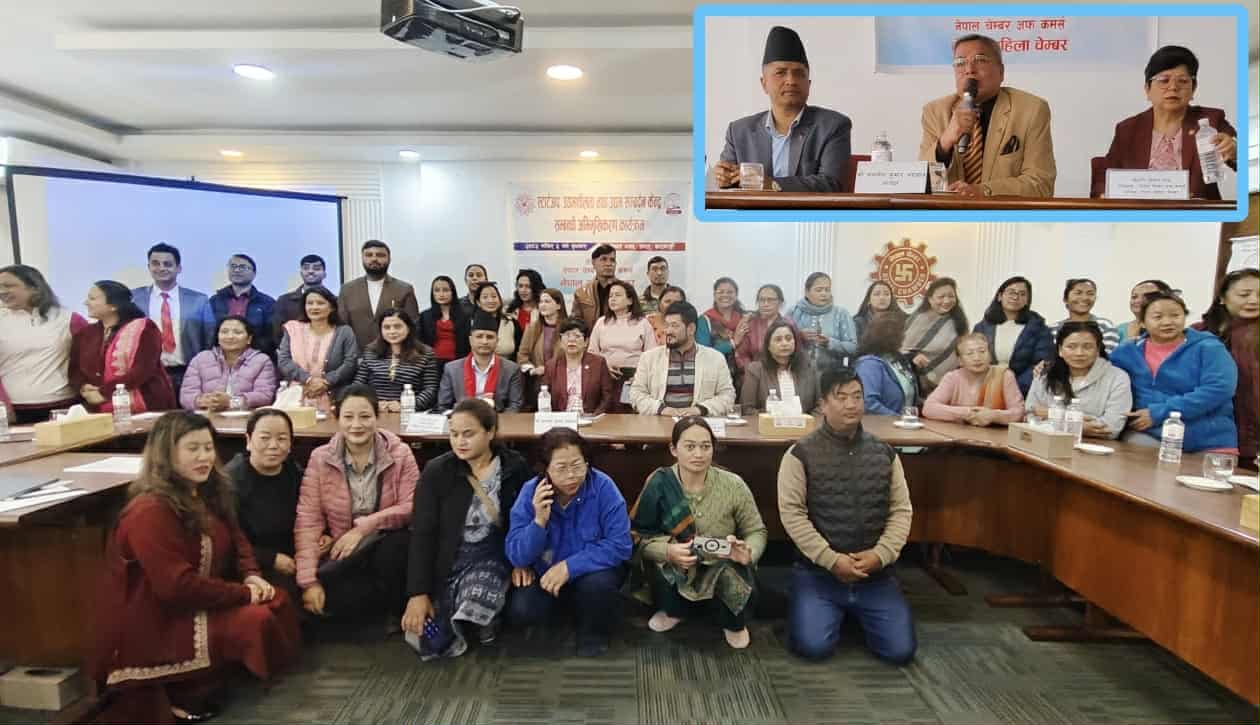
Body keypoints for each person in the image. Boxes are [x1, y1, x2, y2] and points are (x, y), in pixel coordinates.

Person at [91, 411, 299, 723]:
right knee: (255, 617)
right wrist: (243, 594)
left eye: (208, 447)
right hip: (158, 615)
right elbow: (176, 587)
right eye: (193, 449)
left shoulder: (208, 489)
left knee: (277, 599)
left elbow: (237, 537)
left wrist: (251, 575)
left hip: (200, 596)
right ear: (166, 453)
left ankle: (214, 679)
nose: (204, 457)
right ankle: (181, 687)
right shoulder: (148, 510)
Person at [777, 366, 916, 664]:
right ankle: (824, 609)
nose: (851, 404)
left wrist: (881, 554)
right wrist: (831, 559)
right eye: (841, 398)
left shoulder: (885, 453)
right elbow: (792, 515)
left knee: (900, 652)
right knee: (813, 648)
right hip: (819, 574)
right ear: (823, 405)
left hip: (875, 574)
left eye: (857, 396)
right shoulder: (800, 454)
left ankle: (851, 613)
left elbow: (901, 510)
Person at [402, 399, 534, 659]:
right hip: (450, 558)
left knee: (477, 594)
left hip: (495, 555)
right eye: (454, 434)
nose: (460, 442)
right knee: (428, 637)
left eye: (468, 434)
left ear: (490, 432)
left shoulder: (514, 467)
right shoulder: (437, 471)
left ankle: (484, 620)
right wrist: (418, 593)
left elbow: (527, 520)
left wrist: (523, 559)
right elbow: (423, 533)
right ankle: (473, 620)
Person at [629, 417, 767, 649]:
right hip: (678, 564)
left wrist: (749, 552)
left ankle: (733, 623)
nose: (699, 454)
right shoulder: (660, 482)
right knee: (663, 568)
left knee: (733, 574)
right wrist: (667, 551)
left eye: (705, 446)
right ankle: (674, 611)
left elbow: (756, 530)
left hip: (722, 562)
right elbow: (637, 535)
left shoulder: (733, 484)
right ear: (674, 449)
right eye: (690, 446)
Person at [295, 384, 418, 622]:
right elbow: (308, 521)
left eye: (365, 416)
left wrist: (363, 528)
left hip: (386, 544)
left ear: (377, 417)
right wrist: (308, 582)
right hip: (344, 552)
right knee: (325, 603)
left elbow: (411, 506)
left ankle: (395, 611)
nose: (356, 425)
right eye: (348, 417)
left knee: (395, 551)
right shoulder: (320, 458)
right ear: (337, 418)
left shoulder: (400, 453)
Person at [507, 427, 632, 657]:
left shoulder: (603, 487)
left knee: (598, 587)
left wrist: (569, 567)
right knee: (522, 609)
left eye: (577, 465)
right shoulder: (531, 492)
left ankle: (593, 634)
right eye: (561, 468)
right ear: (545, 469)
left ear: (587, 463)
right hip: (545, 573)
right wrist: (538, 521)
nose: (571, 475)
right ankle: (562, 617)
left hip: (591, 573)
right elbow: (517, 555)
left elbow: (620, 545)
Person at [715, 25, 851, 192]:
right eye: (780, 72)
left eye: (799, 73)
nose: (791, 81)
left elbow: (831, 184)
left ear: (808, 84)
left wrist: (772, 184)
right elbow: (728, 186)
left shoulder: (833, 126)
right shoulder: (738, 132)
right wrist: (723, 178)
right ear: (764, 83)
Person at [918, 33, 1056, 198]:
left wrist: (982, 191)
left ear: (1001, 71)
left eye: (980, 60)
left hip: (1002, 212)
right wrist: (944, 143)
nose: (969, 70)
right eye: (960, 63)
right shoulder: (935, 112)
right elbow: (921, 184)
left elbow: (1041, 185)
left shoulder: (1031, 109)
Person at [1092, 46, 1238, 200]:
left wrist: (1234, 150)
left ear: (1193, 88)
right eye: (1164, 80)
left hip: (1197, 211)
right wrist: (1104, 195)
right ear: (1147, 89)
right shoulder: (1128, 129)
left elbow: (1241, 154)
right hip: (1142, 211)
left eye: (1182, 81)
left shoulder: (1211, 119)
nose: (1173, 87)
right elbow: (1105, 177)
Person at [1111, 291, 1238, 453]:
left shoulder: (1209, 347)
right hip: (1152, 437)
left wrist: (1160, 412)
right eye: (1157, 317)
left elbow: (1220, 389)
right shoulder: (1126, 352)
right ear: (1142, 322)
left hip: (1210, 441)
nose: (1167, 322)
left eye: (1175, 315)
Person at [226, 408, 306, 603]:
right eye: (264, 438)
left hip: (298, 556)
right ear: (248, 440)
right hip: (252, 565)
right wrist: (271, 558)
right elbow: (228, 542)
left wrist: (323, 536)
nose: (273, 445)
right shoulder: (231, 482)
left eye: (282, 438)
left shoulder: (294, 472)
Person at [71, 280, 176, 414]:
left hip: (146, 406)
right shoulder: (85, 334)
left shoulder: (144, 328)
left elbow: (142, 370)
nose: (86, 302)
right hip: (97, 410)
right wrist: (84, 387)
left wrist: (104, 393)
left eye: (92, 298)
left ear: (113, 306)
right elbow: (74, 370)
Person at [0, 264, 88, 423]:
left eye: (8, 286)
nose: (2, 291)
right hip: (14, 411)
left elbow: (89, 361)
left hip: (64, 407)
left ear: (34, 288)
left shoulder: (68, 318)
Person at [131, 242, 216, 392]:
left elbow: (209, 338)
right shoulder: (135, 299)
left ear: (178, 268)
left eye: (168, 264)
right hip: (148, 375)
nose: (161, 268)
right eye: (155, 264)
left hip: (189, 374)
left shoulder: (198, 300)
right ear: (149, 267)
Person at [1025, 322, 1132, 439]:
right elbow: (1030, 417)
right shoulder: (1045, 374)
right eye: (1071, 346)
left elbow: (1111, 428)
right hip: (1045, 441)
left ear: (1098, 350)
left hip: (1096, 445)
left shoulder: (1118, 378)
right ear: (1060, 350)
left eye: (1087, 347)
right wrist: (1081, 424)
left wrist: (1050, 414)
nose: (1079, 353)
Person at [1194, 269, 1258, 465]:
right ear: (1222, 297)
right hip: (1208, 431)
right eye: (1244, 294)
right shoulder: (1198, 333)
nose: (1254, 300)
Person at [630, 301, 736, 416]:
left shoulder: (715, 358)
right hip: (660, 419)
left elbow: (727, 395)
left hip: (699, 421)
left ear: (691, 329)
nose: (668, 331)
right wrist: (661, 409)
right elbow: (636, 394)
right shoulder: (649, 358)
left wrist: (700, 409)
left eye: (674, 326)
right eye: (666, 325)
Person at [277, 286, 359, 411]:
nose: (314, 307)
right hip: (297, 395)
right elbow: (284, 360)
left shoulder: (344, 331)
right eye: (310, 303)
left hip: (334, 396)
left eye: (320, 303)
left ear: (332, 307)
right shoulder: (293, 329)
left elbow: (350, 363)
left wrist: (325, 382)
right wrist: (308, 380)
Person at [973, 276, 1054, 395]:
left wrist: (1012, 388)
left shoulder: (1039, 328)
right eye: (1011, 292)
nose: (1016, 297)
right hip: (985, 388)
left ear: (1027, 300)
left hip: (1022, 390)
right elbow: (972, 358)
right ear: (1000, 296)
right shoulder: (982, 327)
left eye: (1022, 294)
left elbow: (1041, 363)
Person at [923, 333, 1024, 427]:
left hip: (997, 435)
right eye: (970, 353)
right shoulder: (952, 378)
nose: (977, 358)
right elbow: (929, 408)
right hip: (958, 434)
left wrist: (993, 415)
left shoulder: (1004, 376)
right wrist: (967, 413)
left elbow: (1019, 413)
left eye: (982, 351)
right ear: (960, 361)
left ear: (990, 355)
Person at [180, 315, 278, 411]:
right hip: (206, 416)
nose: (230, 336)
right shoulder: (201, 359)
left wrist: (231, 402)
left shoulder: (262, 361)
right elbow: (186, 395)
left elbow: (265, 396)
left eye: (237, 332)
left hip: (247, 417)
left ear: (249, 339)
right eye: (224, 332)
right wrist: (203, 401)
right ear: (217, 337)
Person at [337, 240, 420, 350]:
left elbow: (413, 325)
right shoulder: (347, 290)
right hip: (357, 355)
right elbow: (342, 327)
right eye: (369, 255)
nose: (374, 259)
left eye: (380, 255)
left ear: (389, 259)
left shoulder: (404, 289)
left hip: (394, 355)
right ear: (362, 258)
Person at [354, 307, 440, 413]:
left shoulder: (425, 353)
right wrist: (372, 404)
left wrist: (405, 405)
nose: (392, 331)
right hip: (375, 411)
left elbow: (430, 389)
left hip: (410, 412)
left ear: (409, 328)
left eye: (397, 327)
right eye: (387, 327)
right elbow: (358, 384)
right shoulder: (371, 351)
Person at [436, 312, 525, 412]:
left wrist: (494, 411)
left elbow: (515, 406)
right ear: (470, 340)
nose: (484, 341)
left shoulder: (511, 369)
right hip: (462, 418)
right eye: (479, 336)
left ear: (497, 341)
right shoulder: (452, 369)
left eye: (490, 337)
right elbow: (443, 406)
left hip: (498, 419)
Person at [589, 280, 658, 406]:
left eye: (618, 295)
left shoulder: (643, 323)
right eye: (610, 296)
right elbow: (592, 352)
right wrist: (604, 367)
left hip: (634, 377)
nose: (612, 299)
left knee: (629, 413)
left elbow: (651, 355)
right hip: (605, 375)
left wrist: (640, 376)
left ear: (630, 300)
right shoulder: (601, 322)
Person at [902, 277, 970, 396]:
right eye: (941, 297)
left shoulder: (959, 320)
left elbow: (964, 348)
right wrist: (914, 356)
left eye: (951, 296)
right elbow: (901, 349)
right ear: (930, 299)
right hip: (918, 382)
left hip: (952, 382)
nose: (947, 300)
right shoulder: (918, 319)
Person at [740, 320, 820, 413]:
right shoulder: (755, 370)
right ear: (768, 346)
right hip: (768, 421)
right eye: (778, 339)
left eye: (788, 338)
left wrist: (808, 420)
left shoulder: (809, 368)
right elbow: (747, 409)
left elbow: (821, 406)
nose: (784, 343)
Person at [542, 319, 616, 415]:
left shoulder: (598, 363)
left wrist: (594, 416)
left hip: (592, 419)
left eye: (577, 336)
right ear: (560, 341)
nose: (571, 340)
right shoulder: (551, 365)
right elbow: (545, 398)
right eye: (567, 335)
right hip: (561, 420)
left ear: (586, 342)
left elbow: (607, 397)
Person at [209, 254, 277, 358]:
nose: (237, 270)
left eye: (242, 267)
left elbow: (272, 337)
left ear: (254, 273)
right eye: (233, 266)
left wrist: (251, 354)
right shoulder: (215, 301)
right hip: (220, 359)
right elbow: (209, 333)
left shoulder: (267, 303)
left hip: (256, 359)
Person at [854, 314, 919, 416]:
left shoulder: (899, 360)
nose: (905, 336)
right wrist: (898, 419)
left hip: (904, 422)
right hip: (883, 424)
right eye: (902, 333)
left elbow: (909, 396)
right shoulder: (869, 365)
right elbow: (869, 404)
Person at [788, 272, 857, 367]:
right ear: (807, 292)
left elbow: (853, 347)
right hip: (797, 370)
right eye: (819, 290)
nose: (824, 294)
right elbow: (779, 341)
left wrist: (829, 342)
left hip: (832, 372)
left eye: (827, 290)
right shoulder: (793, 312)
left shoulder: (841, 313)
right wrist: (799, 336)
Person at [734, 284, 796, 372]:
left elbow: (797, 353)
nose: (765, 304)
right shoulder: (750, 324)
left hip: (784, 372)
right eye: (762, 300)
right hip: (754, 373)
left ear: (780, 302)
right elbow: (742, 354)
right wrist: (752, 370)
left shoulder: (789, 324)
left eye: (770, 300)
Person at [1050, 278, 1120, 353]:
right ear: (1065, 299)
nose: (1084, 298)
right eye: (1078, 293)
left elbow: (1108, 355)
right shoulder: (1052, 329)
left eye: (1090, 294)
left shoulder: (1105, 326)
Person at [272, 254, 328, 342]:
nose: (311, 271)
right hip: (292, 348)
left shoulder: (334, 301)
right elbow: (277, 332)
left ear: (324, 274)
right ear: (301, 273)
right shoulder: (284, 301)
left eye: (316, 268)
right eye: (306, 268)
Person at [418, 275, 471, 369]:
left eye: (445, 290)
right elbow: (420, 342)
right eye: (437, 290)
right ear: (432, 294)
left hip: (458, 363)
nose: (441, 294)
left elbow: (467, 343)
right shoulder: (424, 316)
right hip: (432, 364)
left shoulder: (464, 316)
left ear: (452, 292)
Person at [704, 277, 748, 370]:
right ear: (714, 295)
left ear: (736, 295)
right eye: (721, 292)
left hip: (745, 373)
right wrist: (733, 343)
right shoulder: (705, 320)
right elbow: (703, 354)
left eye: (730, 292)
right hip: (715, 372)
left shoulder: (745, 319)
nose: (725, 295)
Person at [571, 244, 618, 330]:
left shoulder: (626, 290)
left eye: (612, 260)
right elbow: (575, 324)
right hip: (590, 337)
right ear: (593, 263)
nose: (609, 264)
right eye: (603, 259)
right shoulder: (581, 293)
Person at [649, 286, 713, 347]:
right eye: (667, 301)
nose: (672, 305)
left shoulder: (691, 325)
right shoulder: (648, 322)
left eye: (677, 302)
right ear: (659, 303)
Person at [473, 281, 520, 358]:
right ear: (478, 302)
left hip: (507, 364)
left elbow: (519, 350)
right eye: (485, 297)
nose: (490, 300)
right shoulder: (471, 322)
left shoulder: (511, 322)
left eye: (494, 296)